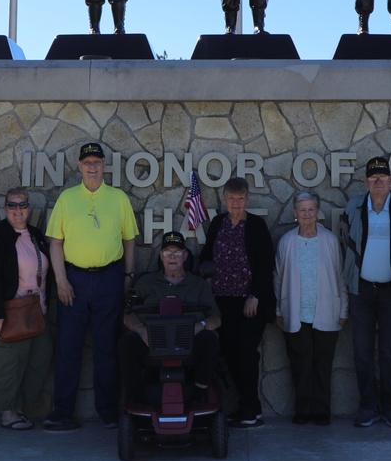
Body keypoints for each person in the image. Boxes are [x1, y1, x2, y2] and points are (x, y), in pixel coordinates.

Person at [45, 142, 138, 430]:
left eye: (97, 161)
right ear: (79, 166)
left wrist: (127, 277)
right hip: (73, 281)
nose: (92, 166)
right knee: (68, 348)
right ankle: (62, 411)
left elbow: (130, 240)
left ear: (104, 165)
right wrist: (61, 280)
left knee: (107, 347)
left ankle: (108, 411)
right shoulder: (67, 198)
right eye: (87, 162)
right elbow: (55, 242)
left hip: (109, 278)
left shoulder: (118, 198)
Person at [340, 156, 391, 428]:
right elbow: (345, 242)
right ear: (366, 182)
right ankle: (368, 406)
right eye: (373, 178)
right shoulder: (354, 207)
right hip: (361, 292)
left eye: (383, 177)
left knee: (389, 352)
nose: (378, 182)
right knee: (361, 351)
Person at [200, 177, 276, 425]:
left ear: (247, 199)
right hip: (222, 302)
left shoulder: (256, 225)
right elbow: (207, 257)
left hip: (249, 303)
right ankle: (244, 407)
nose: (236, 203)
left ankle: (252, 410)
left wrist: (254, 295)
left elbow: (266, 264)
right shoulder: (217, 223)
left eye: (240, 198)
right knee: (229, 353)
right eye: (231, 198)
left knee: (245, 353)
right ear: (224, 199)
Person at [119, 231, 222, 405]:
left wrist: (200, 326)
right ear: (161, 256)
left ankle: (198, 395)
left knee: (210, 340)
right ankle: (136, 402)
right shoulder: (147, 282)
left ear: (185, 256)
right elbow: (128, 314)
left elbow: (217, 318)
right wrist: (142, 330)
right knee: (127, 344)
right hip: (153, 341)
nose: (172, 257)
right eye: (168, 253)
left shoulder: (198, 284)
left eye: (177, 253)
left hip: (189, 341)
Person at [0, 189, 54, 431]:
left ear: (28, 207)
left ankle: (19, 407)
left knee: (37, 359)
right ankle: (8, 413)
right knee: (7, 363)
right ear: (5, 208)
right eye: (12, 205)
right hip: (8, 312)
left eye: (22, 205)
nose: (18, 209)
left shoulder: (34, 234)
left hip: (35, 311)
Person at [274, 190, 348, 425]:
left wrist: (343, 308)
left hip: (327, 312)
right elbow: (277, 277)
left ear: (317, 212)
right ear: (295, 213)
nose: (307, 214)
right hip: (296, 313)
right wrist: (278, 309)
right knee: (300, 364)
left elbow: (339, 276)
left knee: (323, 364)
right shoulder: (287, 241)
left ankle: (322, 410)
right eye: (302, 209)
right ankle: (303, 410)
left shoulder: (329, 240)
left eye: (311, 209)